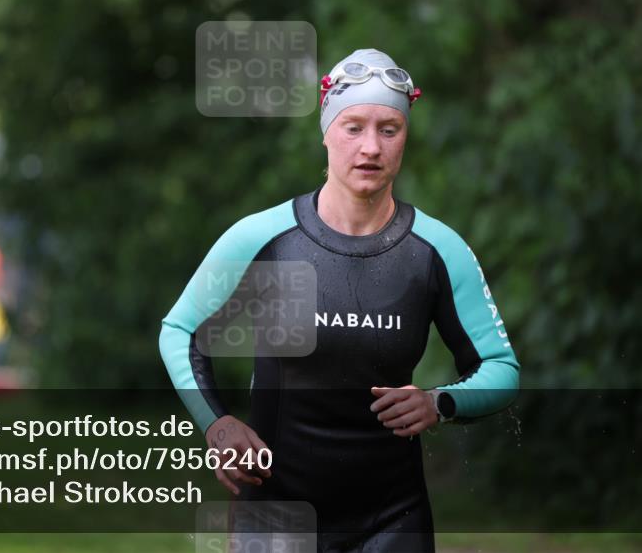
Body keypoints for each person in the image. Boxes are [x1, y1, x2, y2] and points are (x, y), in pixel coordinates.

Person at [159, 48, 520, 552]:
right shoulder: (263, 238)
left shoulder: (438, 251)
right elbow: (180, 332)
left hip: (393, 519)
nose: (370, 147)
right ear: (326, 131)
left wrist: (439, 402)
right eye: (354, 127)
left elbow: (501, 369)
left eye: (388, 129)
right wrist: (216, 424)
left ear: (404, 138)